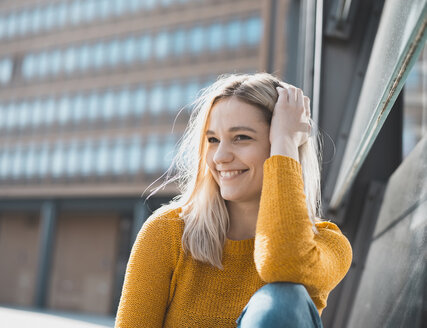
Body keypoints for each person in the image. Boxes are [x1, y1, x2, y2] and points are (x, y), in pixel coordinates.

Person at [115, 73, 353, 327]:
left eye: (242, 137)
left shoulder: (327, 244)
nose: (220, 156)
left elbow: (284, 264)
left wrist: (285, 144)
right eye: (213, 140)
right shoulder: (168, 232)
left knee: (283, 298)